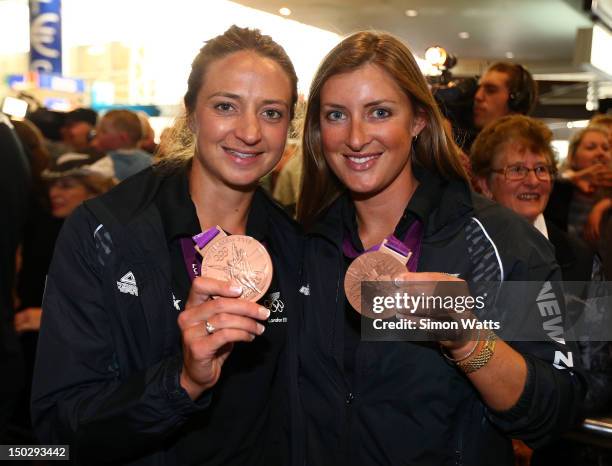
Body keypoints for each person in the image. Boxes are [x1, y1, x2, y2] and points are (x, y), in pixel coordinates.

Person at [295, 31, 584, 466]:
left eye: (379, 112)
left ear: (418, 120)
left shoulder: (500, 242)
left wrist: (468, 340)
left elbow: (557, 406)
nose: (355, 137)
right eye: (337, 114)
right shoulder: (302, 241)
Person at [32, 25, 300, 466]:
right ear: (192, 113)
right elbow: (55, 432)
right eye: (226, 106)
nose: (250, 132)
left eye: (271, 112)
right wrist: (183, 381)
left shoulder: (294, 243)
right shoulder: (106, 231)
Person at [545, 126, 611, 243]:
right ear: (572, 157)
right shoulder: (558, 191)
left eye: (606, 148)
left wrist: (603, 205)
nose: (601, 153)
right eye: (591, 147)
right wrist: (574, 178)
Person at [473, 62, 538, 131]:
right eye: (478, 88)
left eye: (490, 90)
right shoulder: (472, 138)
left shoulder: (526, 141)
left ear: (516, 101)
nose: (478, 96)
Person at [90, 109, 153, 181]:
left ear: (123, 138)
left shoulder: (105, 167)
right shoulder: (151, 161)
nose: (97, 134)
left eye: (104, 131)